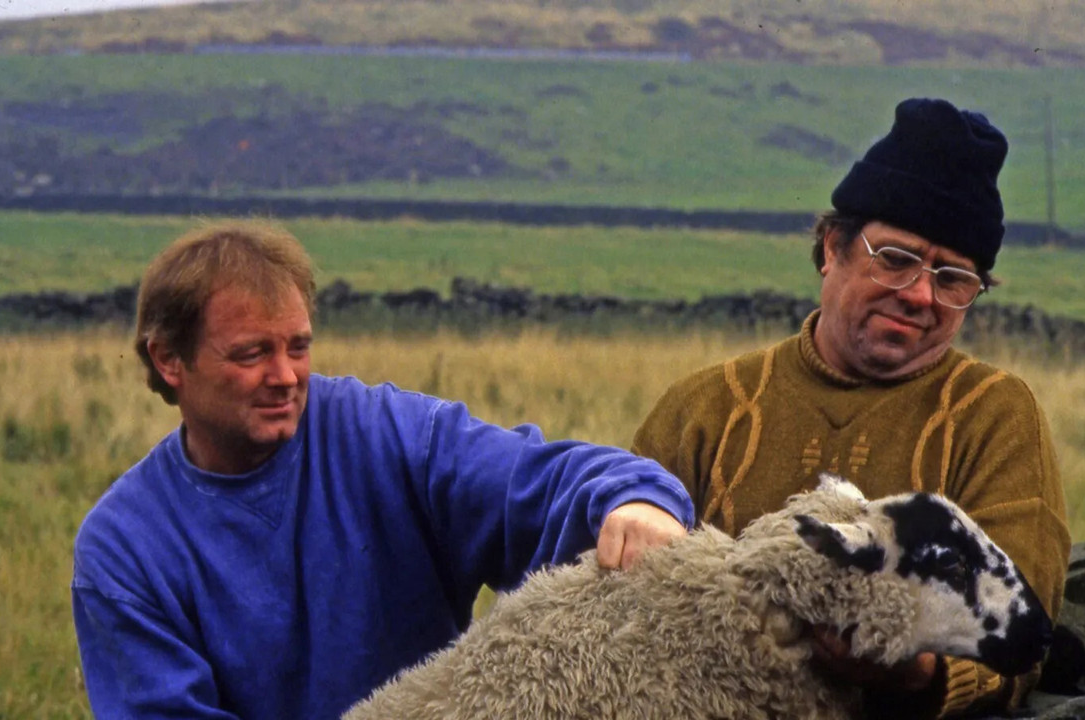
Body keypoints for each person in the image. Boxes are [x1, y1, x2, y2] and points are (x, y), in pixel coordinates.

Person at [71, 221, 695, 720]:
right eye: (251, 353)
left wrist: (635, 500)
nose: (286, 376)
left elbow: (538, 483)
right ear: (169, 359)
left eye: (298, 346)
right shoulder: (125, 548)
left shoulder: (389, 436)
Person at [633, 98, 1070, 718]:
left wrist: (921, 674)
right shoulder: (708, 406)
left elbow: (1024, 637)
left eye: (952, 278)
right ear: (832, 247)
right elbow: (617, 589)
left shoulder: (994, 416)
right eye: (896, 259)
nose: (920, 294)